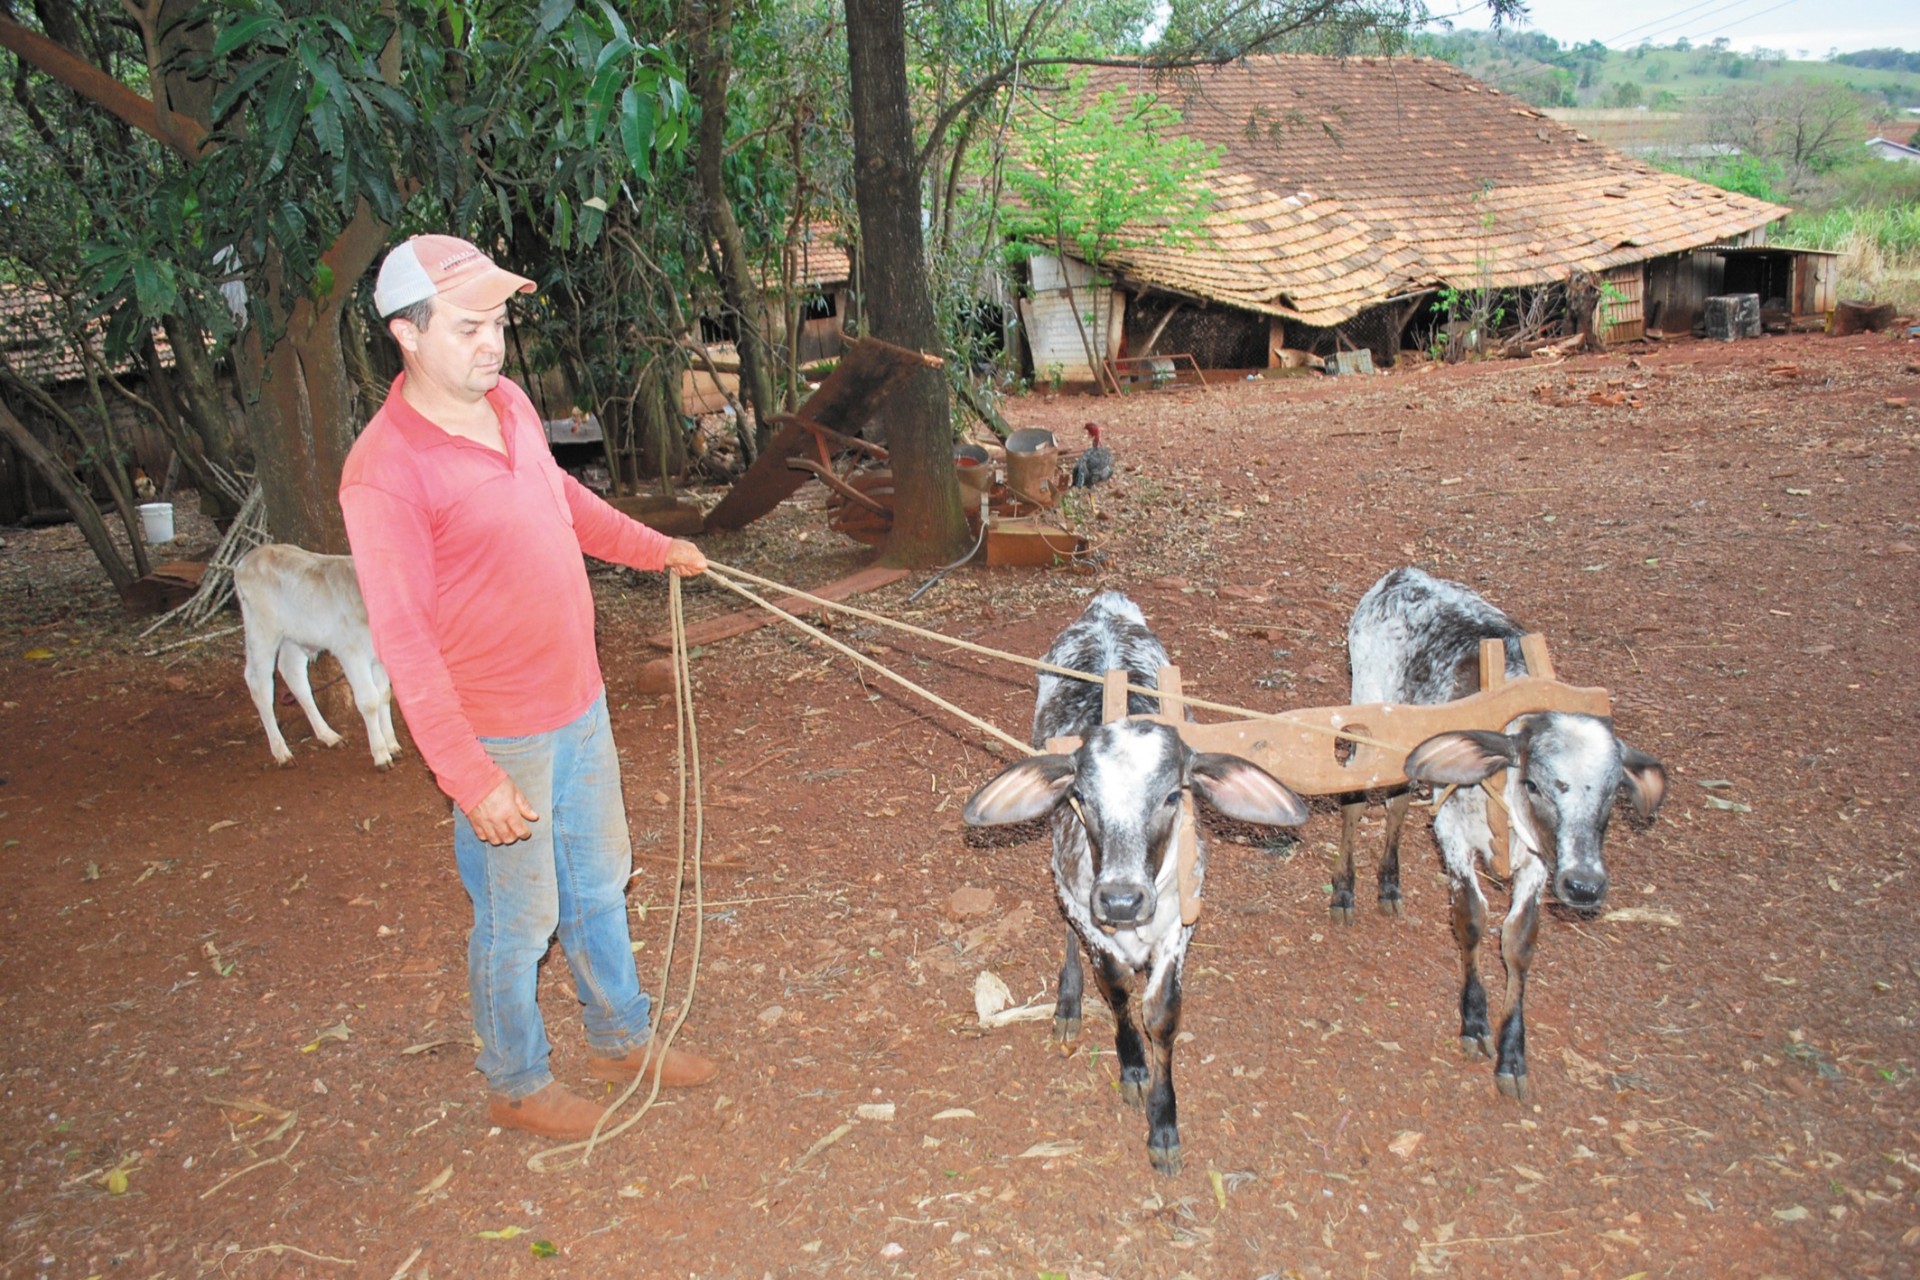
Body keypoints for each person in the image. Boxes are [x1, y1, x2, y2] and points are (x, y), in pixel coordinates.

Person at [340, 234, 716, 1141]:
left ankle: (622, 1033)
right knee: (520, 918)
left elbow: (567, 507)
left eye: (499, 321)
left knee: (599, 880)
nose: (493, 344)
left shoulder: (506, 403)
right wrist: (473, 780)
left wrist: (653, 548)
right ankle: (514, 1079)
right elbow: (405, 645)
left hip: (578, 706)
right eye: (468, 327)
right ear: (405, 332)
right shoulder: (384, 472)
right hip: (499, 735)